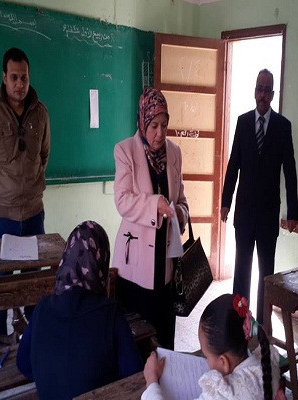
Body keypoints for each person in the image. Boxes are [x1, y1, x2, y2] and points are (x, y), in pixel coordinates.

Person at [0, 47, 50, 335]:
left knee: (33, 284)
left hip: (34, 215)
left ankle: (32, 340)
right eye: (14, 77)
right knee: (0, 285)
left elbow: (44, 155)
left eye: (24, 77)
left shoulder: (40, 113)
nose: (20, 84)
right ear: (4, 77)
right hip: (1, 217)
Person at [17, 221, 143, 399]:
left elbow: (23, 364)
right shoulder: (110, 313)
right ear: (100, 263)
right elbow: (134, 376)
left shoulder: (42, 308)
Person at [112, 87, 189, 350]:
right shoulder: (125, 151)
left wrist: (180, 213)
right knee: (136, 342)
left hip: (166, 262)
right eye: (154, 126)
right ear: (143, 122)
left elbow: (182, 200)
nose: (160, 133)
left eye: (164, 125)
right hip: (135, 265)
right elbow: (122, 200)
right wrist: (154, 204)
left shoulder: (174, 153)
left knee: (164, 339)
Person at [221, 68, 298, 324]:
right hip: (244, 213)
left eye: (267, 90)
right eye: (259, 89)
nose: (262, 95)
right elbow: (233, 164)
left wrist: (293, 212)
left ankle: (263, 327)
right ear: (254, 92)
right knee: (241, 271)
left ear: (273, 94)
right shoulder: (243, 123)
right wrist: (225, 202)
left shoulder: (283, 127)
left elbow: (290, 171)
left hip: (268, 214)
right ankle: (239, 322)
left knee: (266, 274)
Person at [141, 293, 285, 400]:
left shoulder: (224, 393)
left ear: (223, 361)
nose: (205, 361)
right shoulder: (268, 362)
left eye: (206, 356)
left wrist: (151, 380)